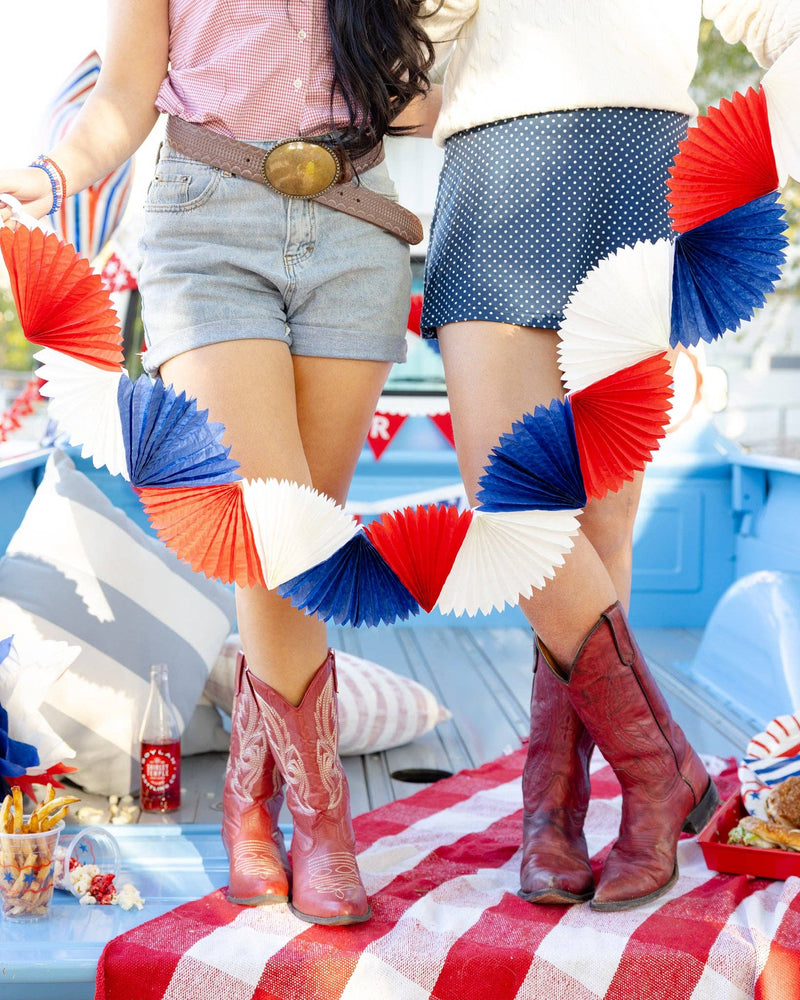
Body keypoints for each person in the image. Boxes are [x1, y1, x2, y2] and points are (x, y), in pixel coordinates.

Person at [0, 0, 436, 926]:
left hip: (358, 227)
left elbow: (426, 95)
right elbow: (126, 95)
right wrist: (51, 173)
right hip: (207, 225)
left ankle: (248, 793)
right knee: (275, 528)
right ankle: (322, 823)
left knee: (304, 551)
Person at [415, 0, 798, 911]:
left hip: (641, 169)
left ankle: (555, 814)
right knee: (510, 503)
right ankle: (659, 767)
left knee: (600, 519)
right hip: (496, 162)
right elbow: (410, 57)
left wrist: (748, 162)